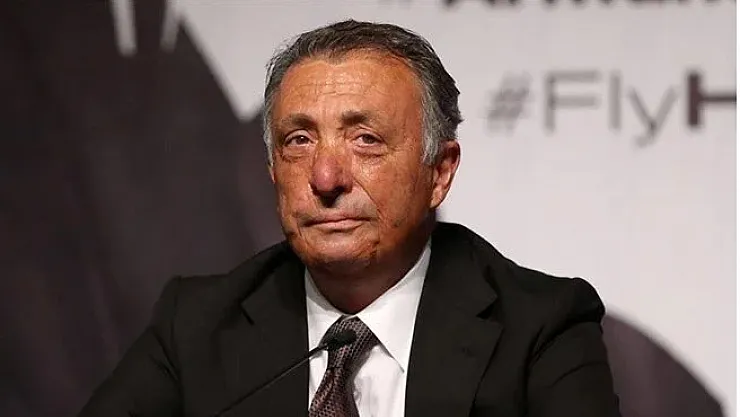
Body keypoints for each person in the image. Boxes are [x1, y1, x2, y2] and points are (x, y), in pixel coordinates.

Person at [78, 20, 622, 417]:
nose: (326, 177)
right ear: (272, 170)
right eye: (299, 141)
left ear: (439, 172)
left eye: (365, 140)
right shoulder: (198, 325)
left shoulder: (539, 329)